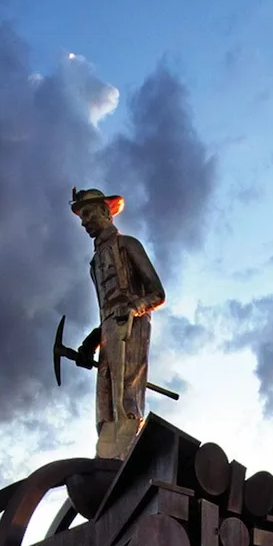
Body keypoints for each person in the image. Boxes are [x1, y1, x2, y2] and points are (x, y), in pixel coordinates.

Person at [69, 186, 166, 459]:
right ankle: (107, 457)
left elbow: (157, 294)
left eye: (89, 214)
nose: (85, 222)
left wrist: (134, 308)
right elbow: (105, 310)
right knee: (106, 400)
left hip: (133, 324)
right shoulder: (95, 264)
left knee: (126, 396)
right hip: (109, 329)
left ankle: (125, 452)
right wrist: (93, 341)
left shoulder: (128, 245)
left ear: (105, 211)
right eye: (82, 217)